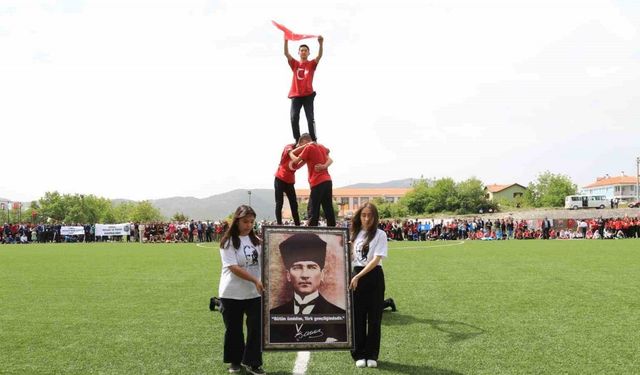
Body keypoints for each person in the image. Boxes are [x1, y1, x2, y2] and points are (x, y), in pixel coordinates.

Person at [269, 232, 347, 343]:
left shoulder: (339, 316)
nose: (305, 275)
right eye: (297, 267)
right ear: (288, 275)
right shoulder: (273, 315)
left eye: (311, 267)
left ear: (322, 274)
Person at [217, 205, 265, 375]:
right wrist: (255, 280)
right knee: (233, 330)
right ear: (237, 221)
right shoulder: (227, 242)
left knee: (256, 329)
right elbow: (233, 267)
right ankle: (235, 362)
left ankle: (253, 363)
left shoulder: (258, 242)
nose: (249, 225)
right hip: (231, 294)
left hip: (254, 294)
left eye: (252, 221)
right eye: (245, 221)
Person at [349, 202, 388, 369]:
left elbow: (376, 260)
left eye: (369, 216)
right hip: (355, 277)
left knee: (374, 319)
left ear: (375, 217)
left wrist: (358, 276)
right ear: (359, 216)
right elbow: (351, 258)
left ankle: (372, 354)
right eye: (363, 215)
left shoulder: (380, 234)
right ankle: (359, 353)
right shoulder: (354, 234)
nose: (366, 219)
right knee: (357, 318)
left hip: (373, 278)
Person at [289, 133, 335, 227]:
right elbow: (330, 160)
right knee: (328, 208)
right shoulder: (321, 146)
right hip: (328, 181)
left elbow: (296, 160)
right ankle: (334, 230)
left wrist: (290, 153)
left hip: (317, 181)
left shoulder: (308, 147)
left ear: (304, 141)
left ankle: (311, 231)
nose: (301, 148)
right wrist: (324, 166)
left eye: (301, 145)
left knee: (313, 209)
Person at [284, 36, 323, 143]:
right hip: (296, 95)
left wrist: (320, 43)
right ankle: (297, 140)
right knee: (294, 117)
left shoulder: (311, 64)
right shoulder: (295, 64)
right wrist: (286, 40)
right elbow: (286, 54)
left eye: (306, 50)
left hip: (308, 95)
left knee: (310, 118)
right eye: (302, 50)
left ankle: (313, 140)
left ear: (308, 53)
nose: (304, 52)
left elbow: (319, 56)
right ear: (299, 53)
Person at [274, 141, 307, 226]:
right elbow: (291, 154)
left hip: (290, 182)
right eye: (303, 145)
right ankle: (279, 224)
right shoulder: (289, 147)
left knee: (294, 204)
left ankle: (297, 224)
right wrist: (306, 146)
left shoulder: (301, 154)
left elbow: (300, 164)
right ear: (300, 143)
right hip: (280, 178)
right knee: (279, 202)